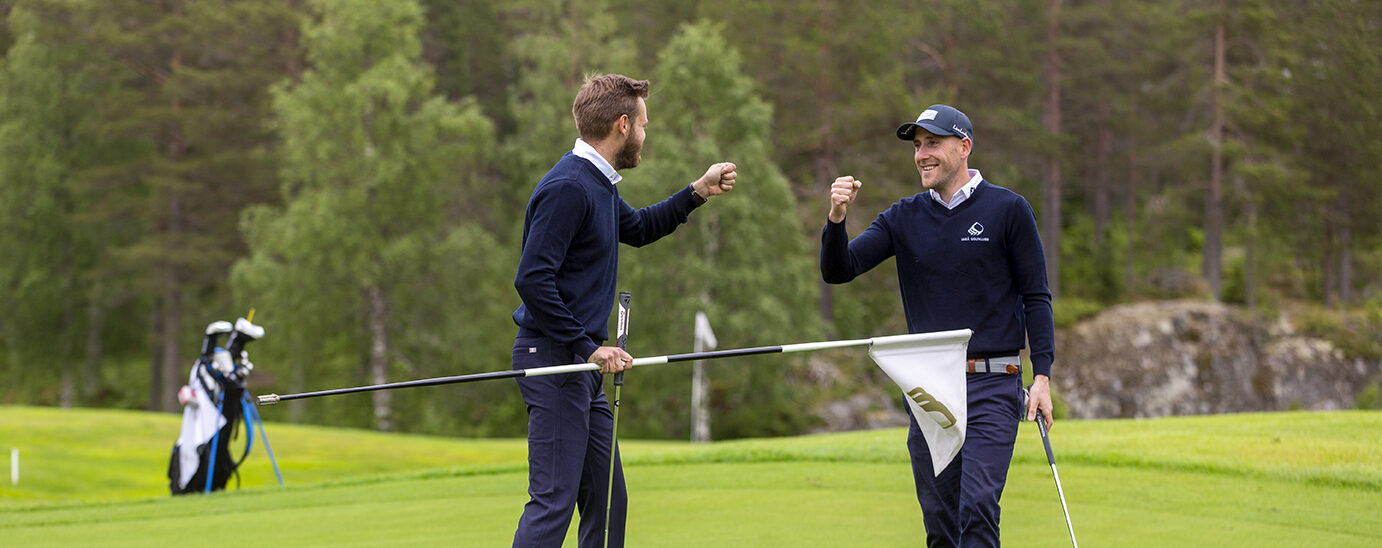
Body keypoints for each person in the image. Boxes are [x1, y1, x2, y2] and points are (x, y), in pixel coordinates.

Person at [510, 74, 737, 548]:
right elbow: (532, 279)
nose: (645, 135)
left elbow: (636, 228)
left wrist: (697, 190)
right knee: (553, 502)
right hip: (554, 360)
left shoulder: (598, 183)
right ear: (622, 125)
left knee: (608, 500)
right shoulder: (568, 187)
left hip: (580, 364)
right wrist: (587, 346)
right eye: (644, 126)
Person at [819, 104, 1055, 547]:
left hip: (993, 384)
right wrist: (836, 218)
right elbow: (840, 270)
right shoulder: (902, 217)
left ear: (963, 147)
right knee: (941, 526)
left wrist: (1041, 376)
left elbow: (1036, 297)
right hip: (930, 392)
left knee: (978, 506)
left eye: (933, 143)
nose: (922, 154)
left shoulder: (1009, 209)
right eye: (917, 145)